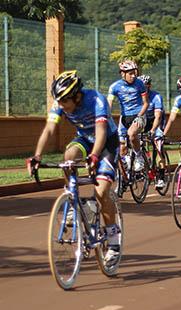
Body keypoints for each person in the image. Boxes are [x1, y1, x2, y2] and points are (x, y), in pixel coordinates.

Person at [28, 70, 121, 267]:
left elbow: (102, 132)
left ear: (77, 96)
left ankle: (113, 242)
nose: (61, 106)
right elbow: (50, 128)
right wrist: (37, 155)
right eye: (59, 102)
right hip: (85, 140)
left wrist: (95, 156)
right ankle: (72, 197)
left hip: (106, 144)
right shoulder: (60, 102)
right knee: (69, 157)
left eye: (64, 102)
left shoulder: (96, 100)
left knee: (101, 191)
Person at [108, 60, 149, 172]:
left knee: (131, 134)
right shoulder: (115, 87)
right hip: (125, 118)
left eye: (134, 72)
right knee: (121, 148)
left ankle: (139, 156)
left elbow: (146, 103)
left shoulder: (140, 84)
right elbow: (109, 104)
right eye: (130, 73)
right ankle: (124, 181)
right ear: (123, 74)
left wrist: (140, 116)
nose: (133, 75)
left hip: (138, 115)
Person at [138, 75, 167, 189]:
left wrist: (153, 130)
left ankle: (161, 177)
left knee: (158, 145)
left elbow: (158, 117)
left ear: (149, 86)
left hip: (156, 122)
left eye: (144, 86)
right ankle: (142, 164)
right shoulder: (136, 97)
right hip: (144, 121)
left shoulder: (156, 97)